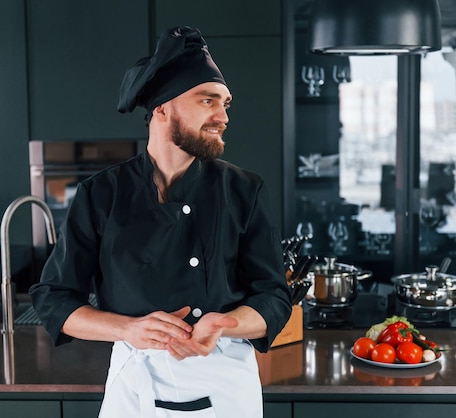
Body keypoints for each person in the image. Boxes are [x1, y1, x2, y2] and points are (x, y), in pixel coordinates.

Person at [29, 25, 292, 418]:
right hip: (134, 385)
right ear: (163, 109)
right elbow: (53, 298)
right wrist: (126, 329)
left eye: (225, 104)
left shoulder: (244, 190)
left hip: (223, 384)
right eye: (207, 101)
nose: (222, 116)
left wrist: (223, 324)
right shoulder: (101, 194)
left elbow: (274, 299)